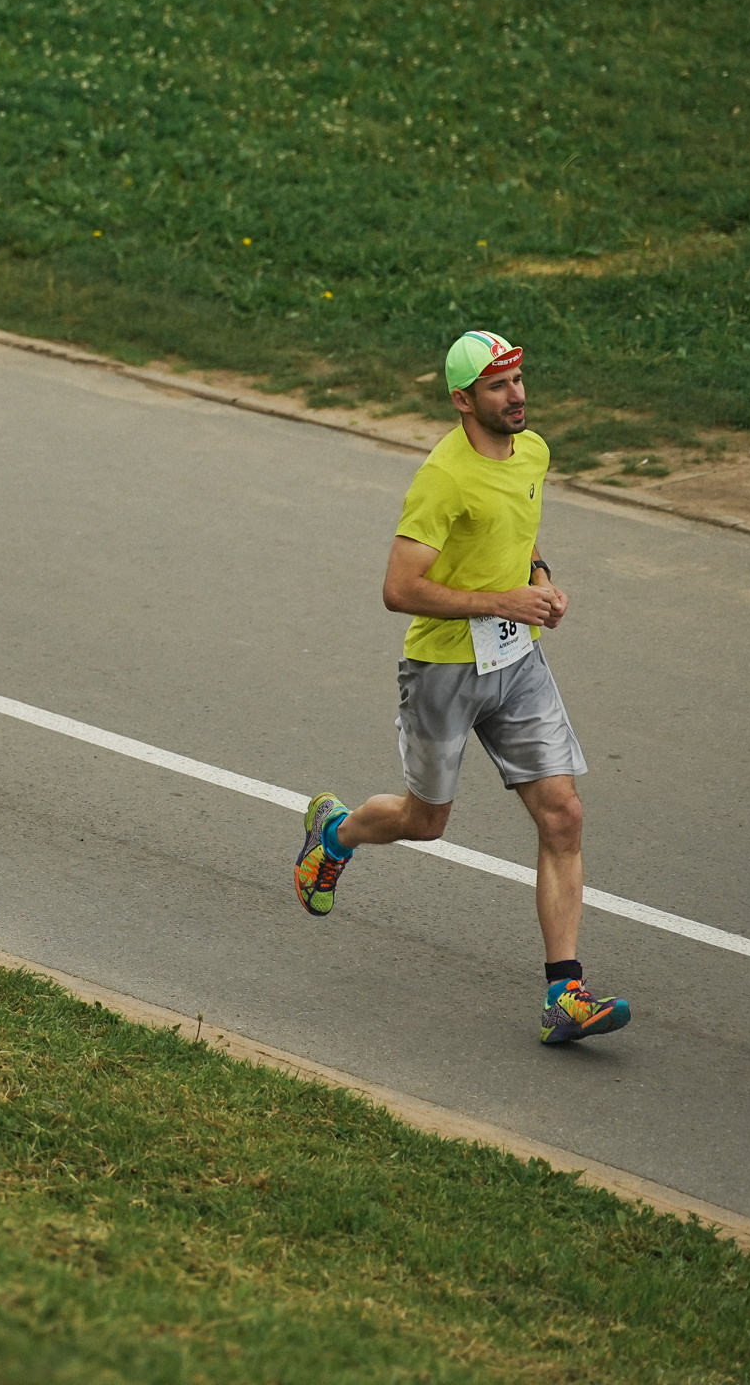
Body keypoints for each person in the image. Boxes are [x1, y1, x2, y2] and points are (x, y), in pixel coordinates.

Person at [291, 329, 631, 1045]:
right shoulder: (443, 478)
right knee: (427, 821)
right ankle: (334, 833)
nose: (518, 396)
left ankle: (564, 995)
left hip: (517, 663)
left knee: (563, 814)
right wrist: (504, 601)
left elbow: (518, 532)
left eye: (519, 380)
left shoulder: (533, 451)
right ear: (463, 400)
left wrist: (538, 580)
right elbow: (399, 588)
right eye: (500, 386)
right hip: (443, 669)